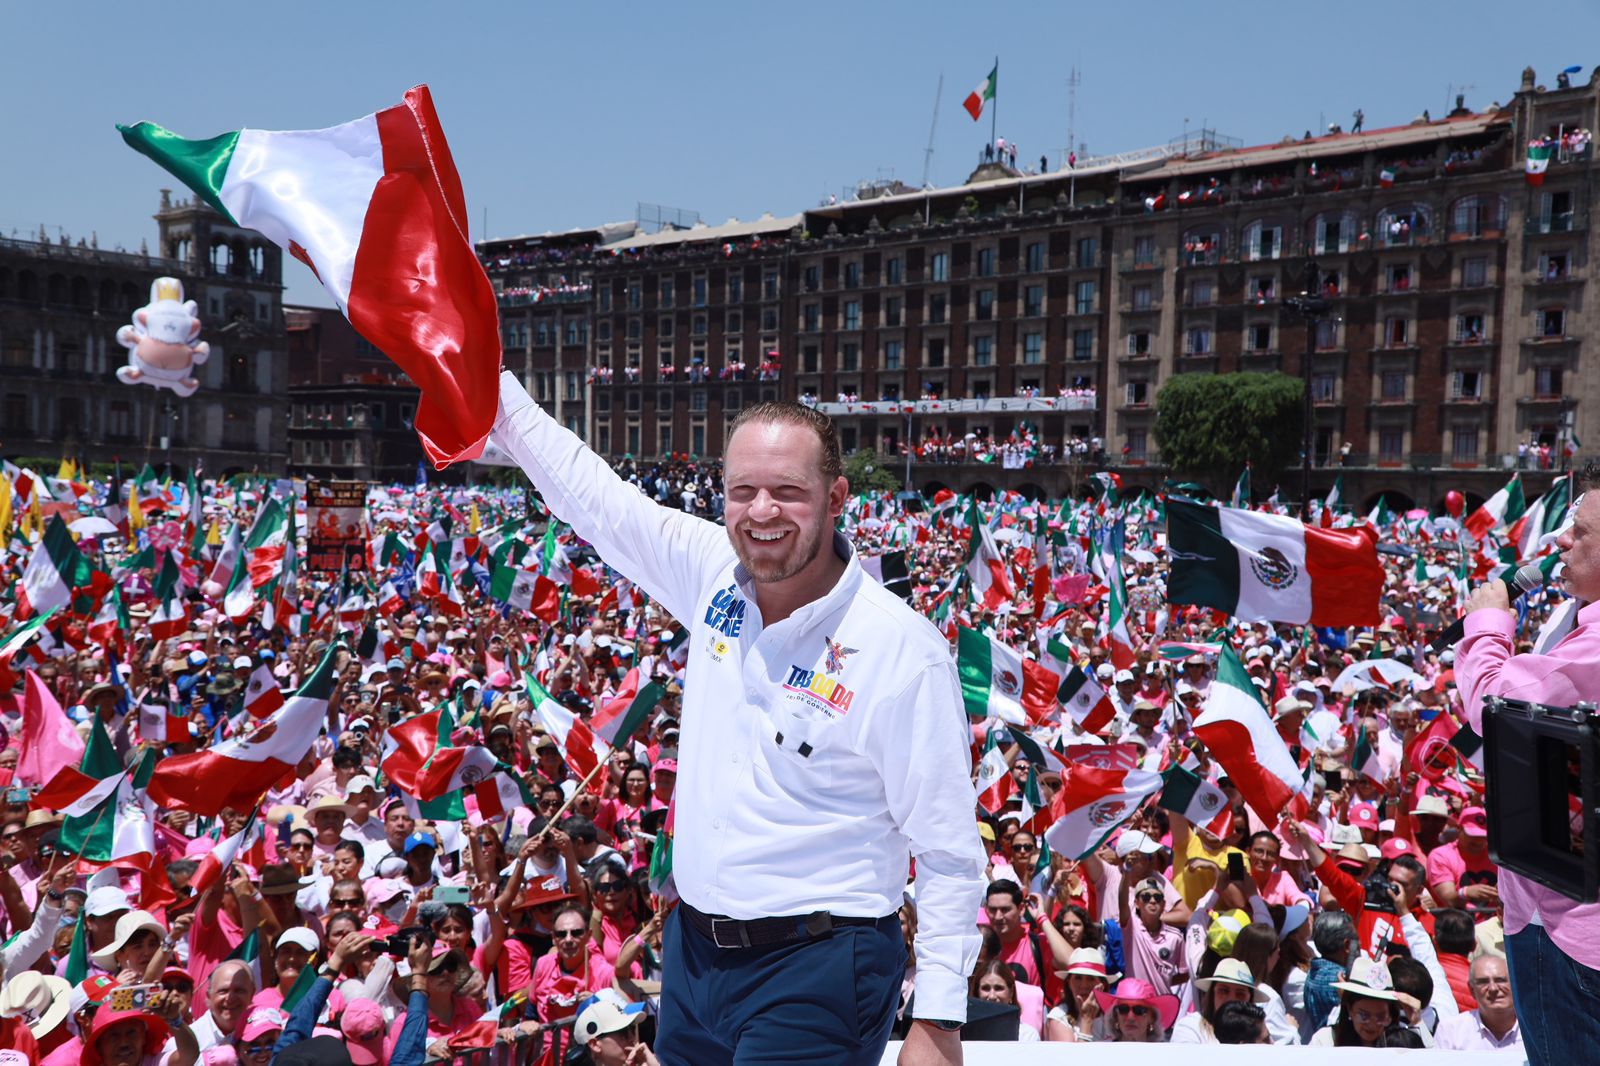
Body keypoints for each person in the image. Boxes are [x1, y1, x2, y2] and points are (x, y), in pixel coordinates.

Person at [493, 383, 985, 1065]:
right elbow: (598, 503)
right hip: (694, 962)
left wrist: (937, 1021)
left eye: (787, 491)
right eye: (740, 490)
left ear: (837, 498)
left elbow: (949, 852)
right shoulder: (712, 577)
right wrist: (491, 388)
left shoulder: (902, 652)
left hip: (818, 967)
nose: (760, 512)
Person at [1457, 484, 1600, 1064]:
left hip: (1567, 921)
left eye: (1580, 532)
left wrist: (1487, 621)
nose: (1559, 540)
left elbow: (1496, 707)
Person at [1435, 954, 1524, 1053]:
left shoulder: (1537, 1031)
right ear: (1472, 990)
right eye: (1483, 982)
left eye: (1500, 980)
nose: (1493, 988)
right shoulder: (1451, 1030)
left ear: (1515, 984)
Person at [1309, 957, 1405, 1047]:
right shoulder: (1325, 1040)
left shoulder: (1401, 1042)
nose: (1372, 1024)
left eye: (1380, 1017)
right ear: (1350, 1009)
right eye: (1364, 1016)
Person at [1171, 958, 1269, 1044]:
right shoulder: (1189, 1028)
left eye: (1240, 994)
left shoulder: (1260, 1030)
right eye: (1223, 991)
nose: (1231, 999)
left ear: (1250, 999)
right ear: (1212, 994)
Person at [968, 961, 1038, 1041]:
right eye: (986, 988)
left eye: (998, 988)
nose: (992, 996)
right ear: (977, 992)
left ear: (1011, 992)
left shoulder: (1027, 1036)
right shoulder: (963, 1034)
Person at [1094, 979, 1178, 1043]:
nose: (1130, 1017)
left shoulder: (1163, 1055)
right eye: (1123, 1009)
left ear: (1152, 1017)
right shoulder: (1103, 1050)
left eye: (1139, 1010)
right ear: (1116, 1016)